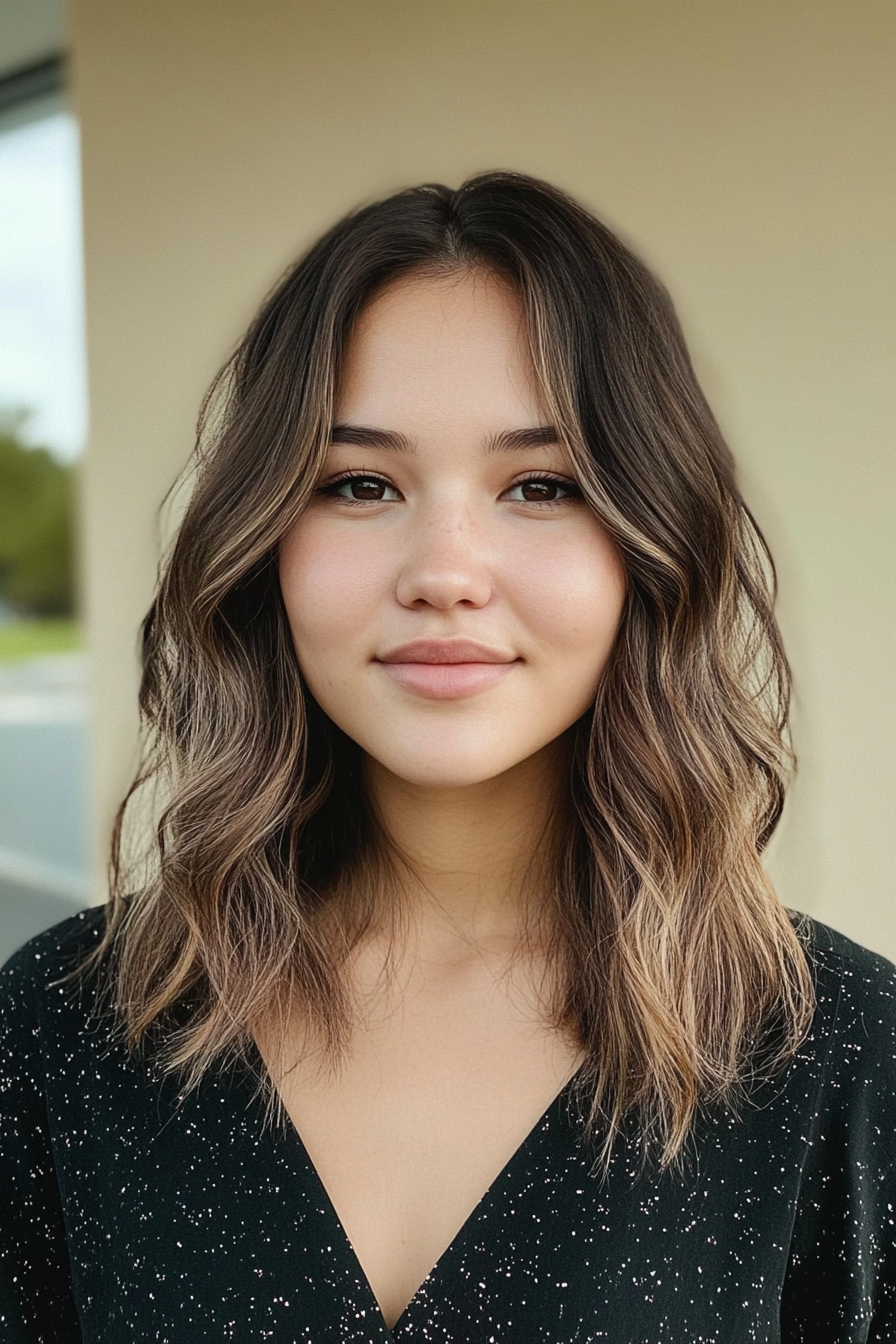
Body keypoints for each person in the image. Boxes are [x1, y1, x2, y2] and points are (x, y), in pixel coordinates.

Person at [1, 171, 894, 1343]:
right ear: (266, 537)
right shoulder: (61, 1032)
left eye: (541, 485)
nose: (444, 570)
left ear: (651, 545)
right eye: (359, 484)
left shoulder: (839, 1054)